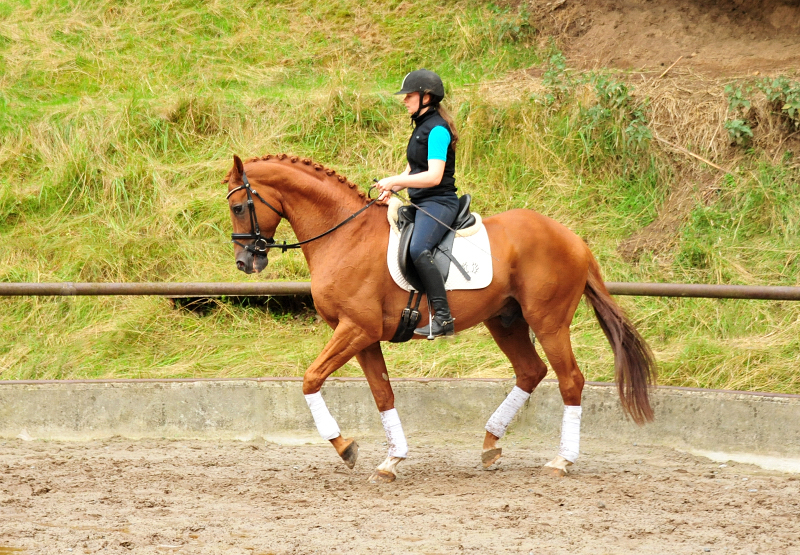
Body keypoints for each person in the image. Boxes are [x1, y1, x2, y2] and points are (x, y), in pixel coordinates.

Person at [377, 69, 460, 338]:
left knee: (418, 249)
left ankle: (443, 318)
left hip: (439, 202)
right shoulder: (421, 128)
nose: (404, 100)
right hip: (421, 202)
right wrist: (391, 187)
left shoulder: (437, 130)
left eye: (409, 95)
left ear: (426, 97)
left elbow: (434, 176)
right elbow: (413, 171)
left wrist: (394, 180)